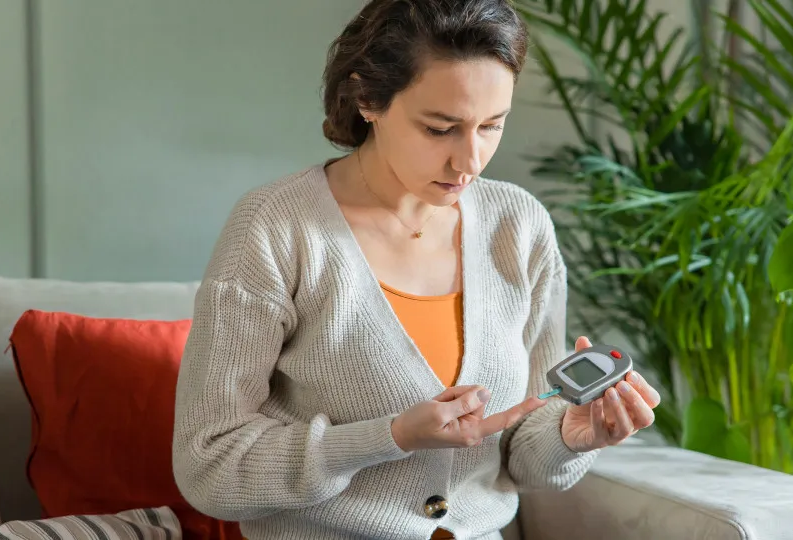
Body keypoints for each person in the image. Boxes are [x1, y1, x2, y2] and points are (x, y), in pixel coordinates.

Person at [172, 0, 661, 538]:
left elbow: (522, 458)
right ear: (367, 99)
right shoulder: (275, 229)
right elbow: (209, 467)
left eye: (492, 126)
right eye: (440, 128)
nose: (469, 161)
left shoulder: (519, 227)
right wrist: (390, 436)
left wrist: (572, 435)